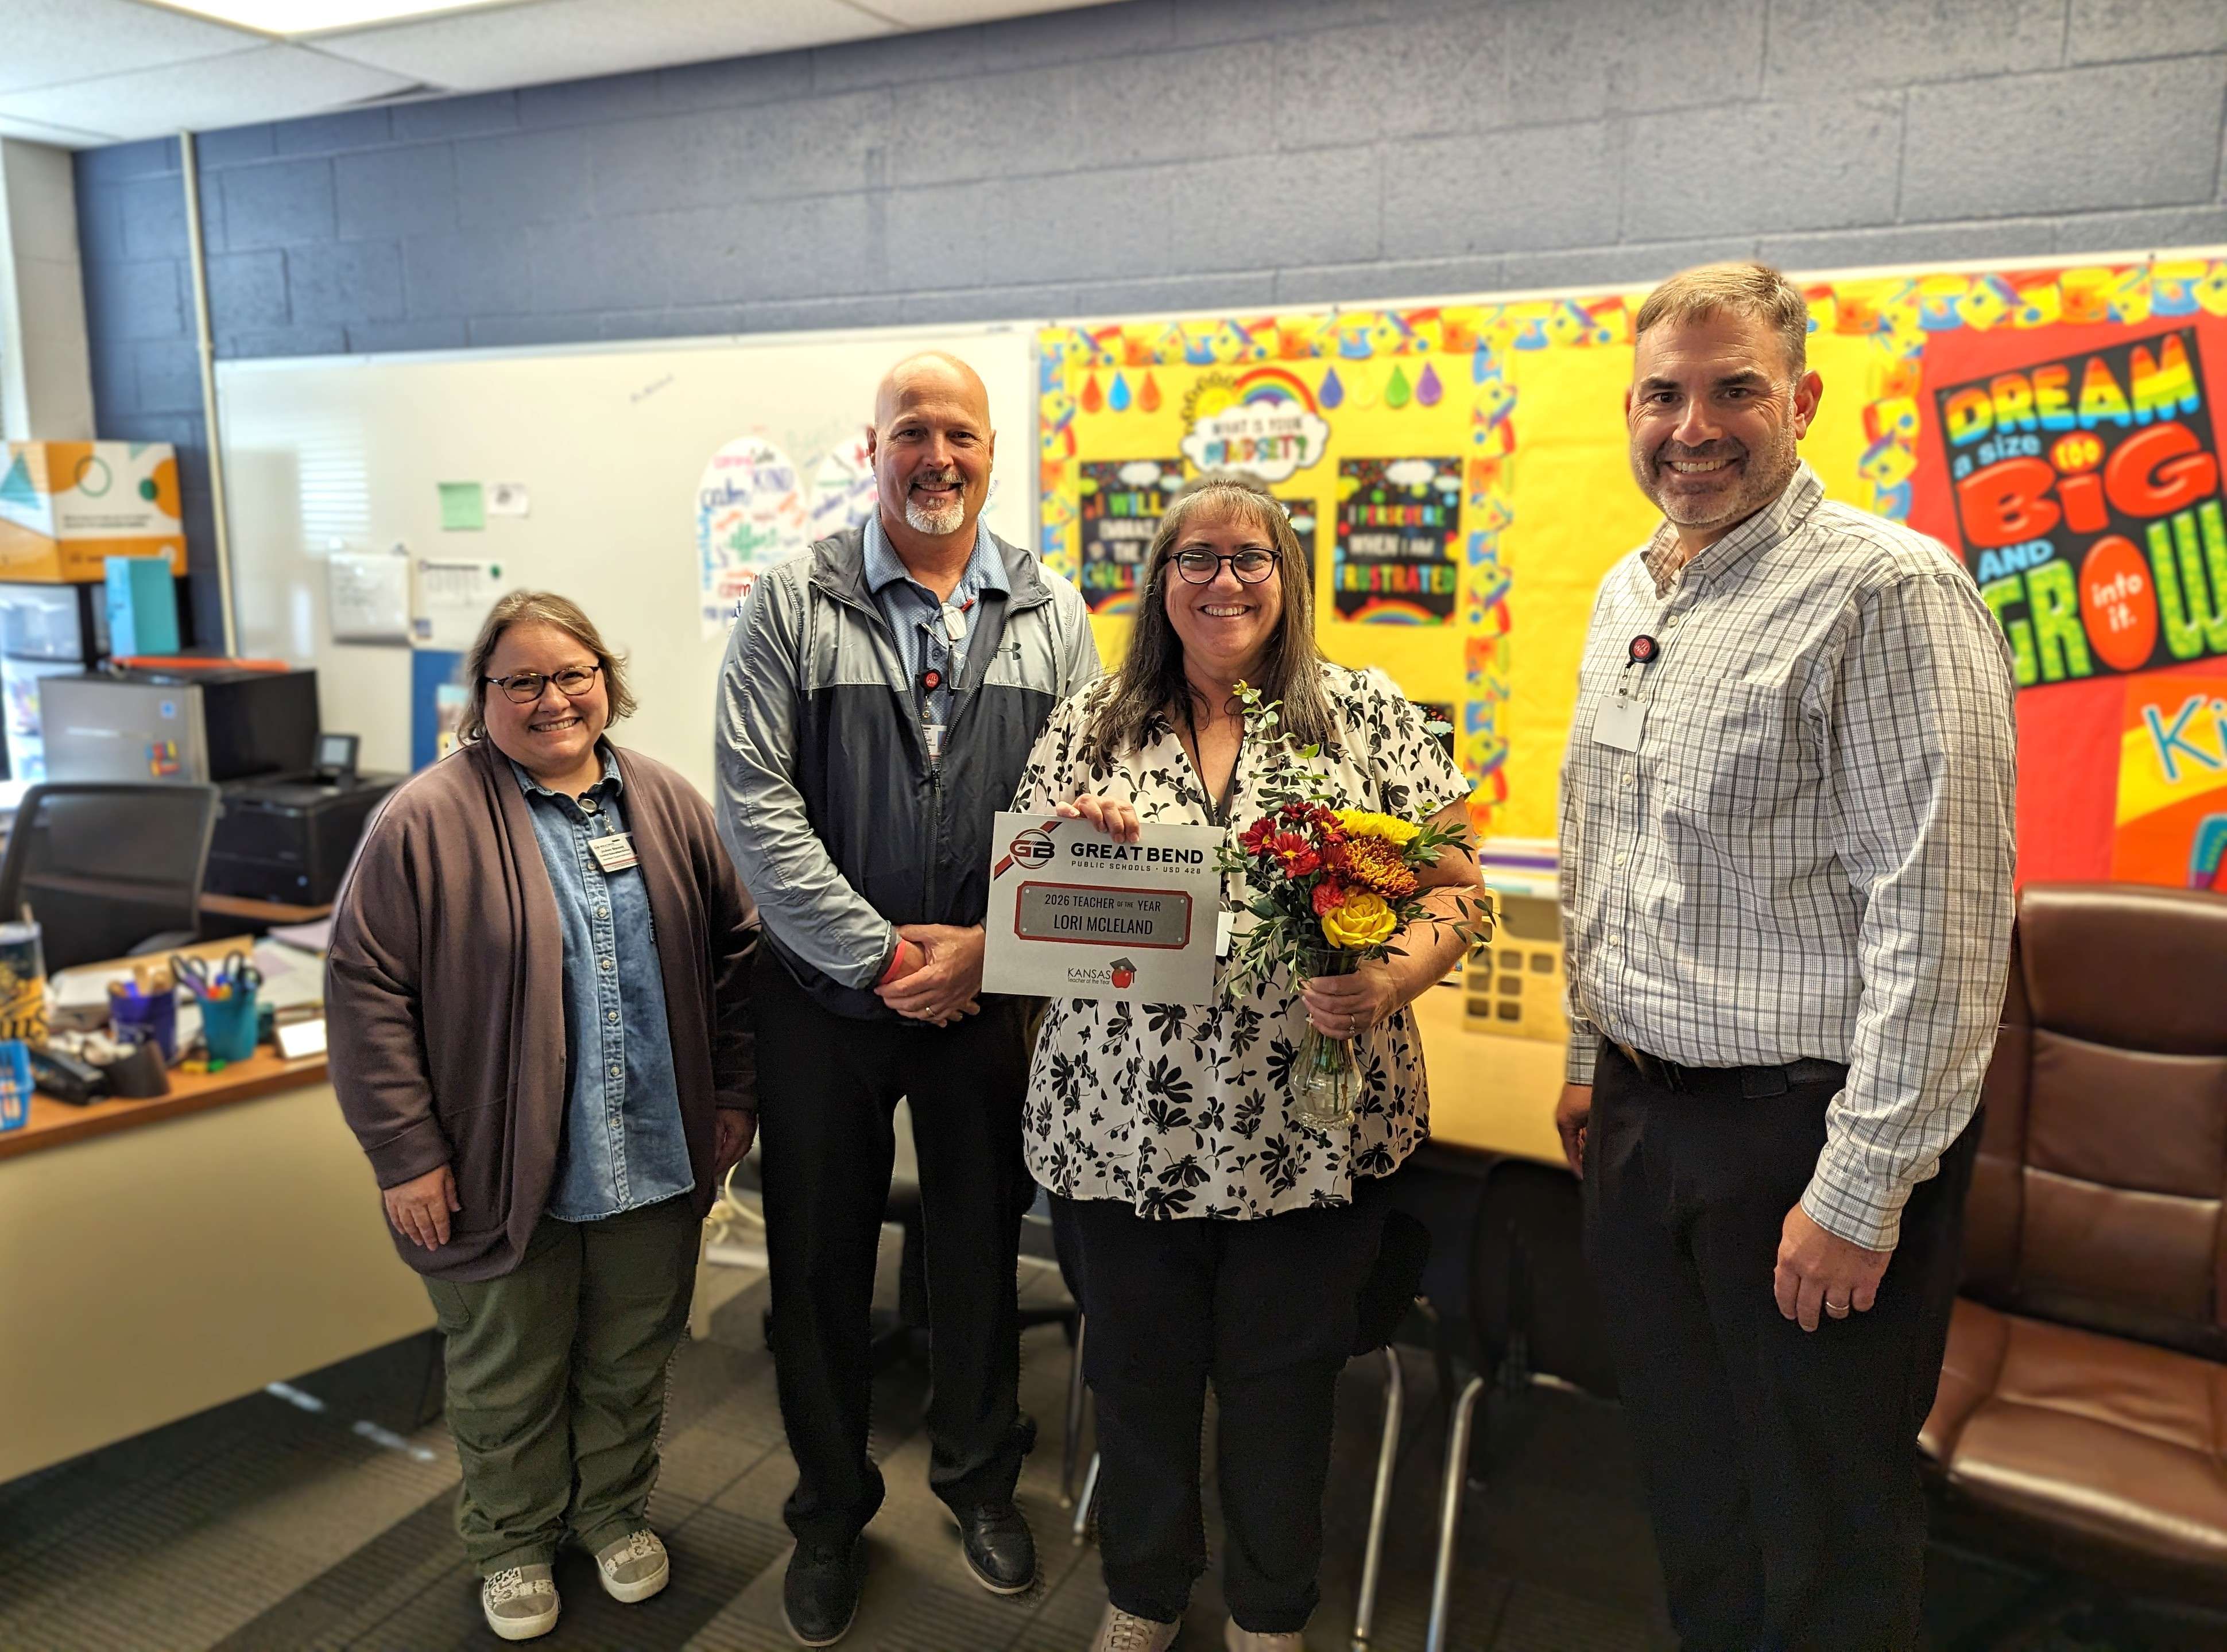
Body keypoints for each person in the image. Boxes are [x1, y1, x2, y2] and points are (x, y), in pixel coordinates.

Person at [1554, 263, 2017, 1651]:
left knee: (1822, 1531)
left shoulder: (1886, 592)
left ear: (1801, 399)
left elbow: (1937, 917)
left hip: (1801, 1142)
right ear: (1627, 408)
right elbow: (1611, 847)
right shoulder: (1626, 588)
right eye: (1661, 393)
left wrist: (1862, 1185)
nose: (1691, 425)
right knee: (1693, 1495)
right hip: (1644, 1121)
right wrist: (1591, 1059)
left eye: (1731, 388)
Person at [1014, 472, 1485, 1652]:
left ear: (1286, 577)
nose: (1223, 580)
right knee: (1136, 1376)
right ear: (1158, 580)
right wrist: (1075, 848)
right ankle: (1144, 1589)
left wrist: (1387, 980)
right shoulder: (1090, 720)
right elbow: (1021, 899)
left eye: (1249, 557)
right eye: (1196, 558)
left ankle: (1272, 1609)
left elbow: (1459, 891)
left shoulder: (1362, 714)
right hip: (1121, 1127)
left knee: (1285, 1385)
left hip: (1308, 1128)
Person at [713, 351, 1099, 1646]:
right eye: (911, 433)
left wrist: (983, 953)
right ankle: (828, 1510)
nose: (938, 457)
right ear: (869, 447)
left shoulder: (1050, 611)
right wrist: (884, 955)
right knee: (815, 1259)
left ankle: (981, 1479)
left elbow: (1073, 807)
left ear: (993, 451)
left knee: (979, 1246)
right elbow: (754, 805)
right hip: (824, 997)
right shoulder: (791, 599)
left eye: (963, 436)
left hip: (984, 996)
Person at [328, 592, 758, 1643]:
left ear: (606, 680)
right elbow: (365, 987)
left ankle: (612, 1514)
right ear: (484, 698)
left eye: (572, 674)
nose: (552, 698)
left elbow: (736, 956)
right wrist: (405, 1154)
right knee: (508, 1367)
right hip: (494, 1161)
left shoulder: (665, 800)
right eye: (521, 679)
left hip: (654, 1147)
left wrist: (736, 1092)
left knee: (628, 1354)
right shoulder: (426, 818)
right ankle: (514, 1539)